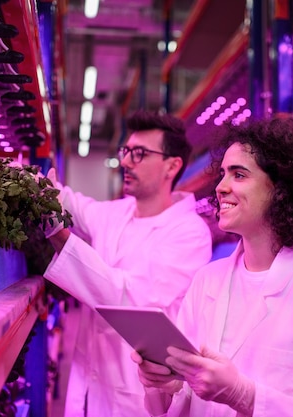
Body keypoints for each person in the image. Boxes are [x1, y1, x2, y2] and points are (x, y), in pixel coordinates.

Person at [131, 117, 293, 417]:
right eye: (223, 174)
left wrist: (244, 396)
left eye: (239, 175)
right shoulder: (207, 281)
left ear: (282, 189)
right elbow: (182, 400)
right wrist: (164, 384)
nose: (221, 187)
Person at [43, 110, 213, 417]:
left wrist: (60, 236)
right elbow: (72, 203)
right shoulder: (116, 213)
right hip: (89, 385)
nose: (125, 162)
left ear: (171, 166)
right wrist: (38, 188)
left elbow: (130, 299)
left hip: (135, 394)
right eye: (126, 151)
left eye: (139, 154)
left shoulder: (189, 234)